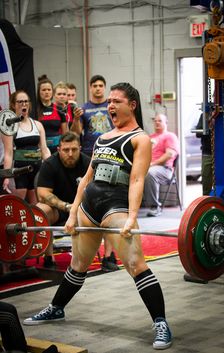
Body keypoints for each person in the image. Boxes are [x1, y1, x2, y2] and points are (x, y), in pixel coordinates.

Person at [23, 82, 172, 351]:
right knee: (78, 264)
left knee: (136, 265)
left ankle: (160, 322)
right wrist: (72, 213)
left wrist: (132, 217)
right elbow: (87, 179)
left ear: (132, 105)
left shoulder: (140, 139)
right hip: (89, 208)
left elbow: (137, 180)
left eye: (117, 101)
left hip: (117, 208)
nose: (111, 106)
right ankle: (56, 308)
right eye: (110, 102)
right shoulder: (102, 139)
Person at [71, 74, 122, 271]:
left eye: (101, 85)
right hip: (89, 156)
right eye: (95, 86)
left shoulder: (112, 107)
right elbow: (76, 133)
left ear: (104, 87)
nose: (98, 88)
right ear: (90, 87)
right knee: (93, 202)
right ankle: (86, 254)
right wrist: (76, 118)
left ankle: (109, 256)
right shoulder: (83, 109)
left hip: (112, 156)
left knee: (109, 203)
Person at [35, 131, 90, 268]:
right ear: (59, 149)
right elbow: (42, 194)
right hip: (59, 210)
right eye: (66, 150)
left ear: (80, 149)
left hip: (82, 209)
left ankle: (108, 257)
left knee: (105, 208)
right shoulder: (49, 164)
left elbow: (96, 191)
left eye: (74, 149)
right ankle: (49, 258)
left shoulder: (88, 163)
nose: (70, 154)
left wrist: (77, 208)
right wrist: (66, 206)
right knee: (41, 209)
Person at [2, 90, 51, 205]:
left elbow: (44, 150)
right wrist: (6, 176)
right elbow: (8, 153)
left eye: (26, 101)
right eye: (20, 102)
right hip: (20, 171)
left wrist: (51, 169)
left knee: (36, 207)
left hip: (36, 170)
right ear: (13, 105)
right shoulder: (9, 126)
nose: (24, 104)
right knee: (18, 206)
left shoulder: (37, 125)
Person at [143, 113, 179, 217]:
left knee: (150, 173)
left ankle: (155, 207)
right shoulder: (150, 137)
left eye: (160, 121)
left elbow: (169, 154)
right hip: (149, 166)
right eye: (155, 121)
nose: (157, 122)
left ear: (166, 123)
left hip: (165, 169)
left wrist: (152, 164)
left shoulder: (169, 136)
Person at [36, 75, 68, 154]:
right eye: (43, 90)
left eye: (49, 90)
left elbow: (65, 134)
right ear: (38, 92)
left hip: (57, 151)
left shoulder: (60, 110)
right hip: (40, 150)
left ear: (52, 92)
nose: (46, 92)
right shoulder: (34, 110)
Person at [195, 113, 212, 195]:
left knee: (223, 180)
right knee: (206, 180)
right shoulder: (204, 115)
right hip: (207, 153)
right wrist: (208, 129)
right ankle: (207, 201)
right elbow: (198, 133)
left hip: (222, 153)